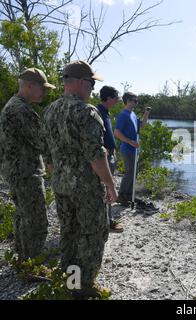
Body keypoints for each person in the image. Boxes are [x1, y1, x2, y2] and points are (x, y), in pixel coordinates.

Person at [42, 60, 118, 299]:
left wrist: (60, 177)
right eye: (91, 84)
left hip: (61, 186)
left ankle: (70, 281)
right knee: (93, 234)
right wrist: (109, 184)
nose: (92, 89)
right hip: (85, 189)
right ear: (79, 83)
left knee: (69, 233)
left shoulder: (49, 111)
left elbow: (47, 154)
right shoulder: (86, 112)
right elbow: (96, 156)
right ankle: (83, 287)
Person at [0, 68, 55, 261]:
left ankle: (23, 258)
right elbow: (42, 141)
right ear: (30, 86)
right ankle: (32, 263)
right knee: (36, 220)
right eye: (42, 88)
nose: (45, 92)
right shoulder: (21, 109)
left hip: (17, 171)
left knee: (24, 215)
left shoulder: (13, 105)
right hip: (26, 172)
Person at [113, 92, 152, 207]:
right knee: (129, 172)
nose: (136, 102)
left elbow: (142, 125)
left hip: (134, 149)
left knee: (134, 172)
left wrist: (146, 113)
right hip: (127, 149)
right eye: (134, 100)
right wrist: (130, 142)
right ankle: (121, 195)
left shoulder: (132, 114)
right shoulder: (123, 115)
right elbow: (117, 132)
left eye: (136, 101)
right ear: (128, 101)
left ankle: (129, 194)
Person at [97, 86, 124, 232]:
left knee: (107, 188)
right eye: (116, 98)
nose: (118, 101)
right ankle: (107, 222)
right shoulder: (98, 111)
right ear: (109, 98)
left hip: (109, 155)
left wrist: (113, 151)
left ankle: (107, 220)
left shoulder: (105, 112)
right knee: (107, 188)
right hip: (103, 157)